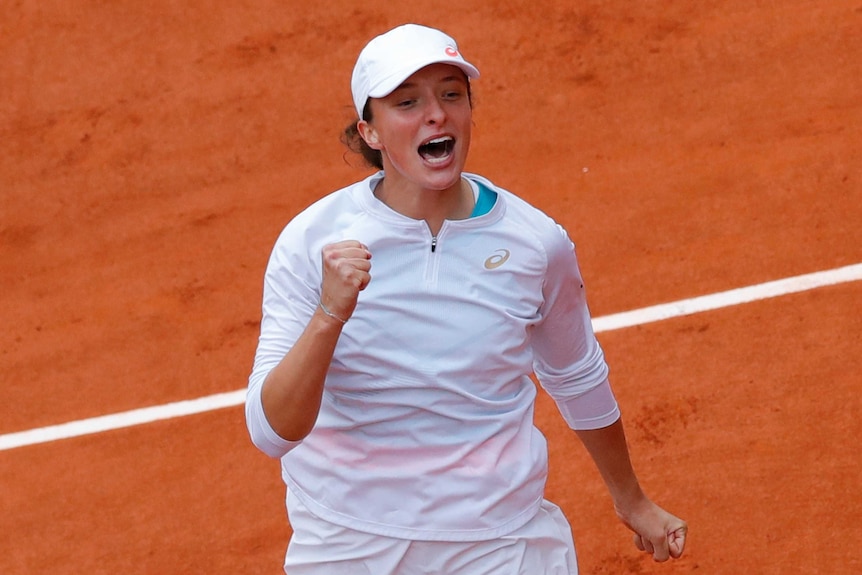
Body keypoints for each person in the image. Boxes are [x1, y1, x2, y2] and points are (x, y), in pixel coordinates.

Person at [246, 23, 687, 574]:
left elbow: (575, 373)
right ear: (371, 132)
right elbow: (270, 431)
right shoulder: (311, 243)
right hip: (348, 543)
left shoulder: (534, 243)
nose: (436, 114)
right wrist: (330, 313)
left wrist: (631, 499)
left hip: (501, 541)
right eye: (408, 102)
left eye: (451, 94)